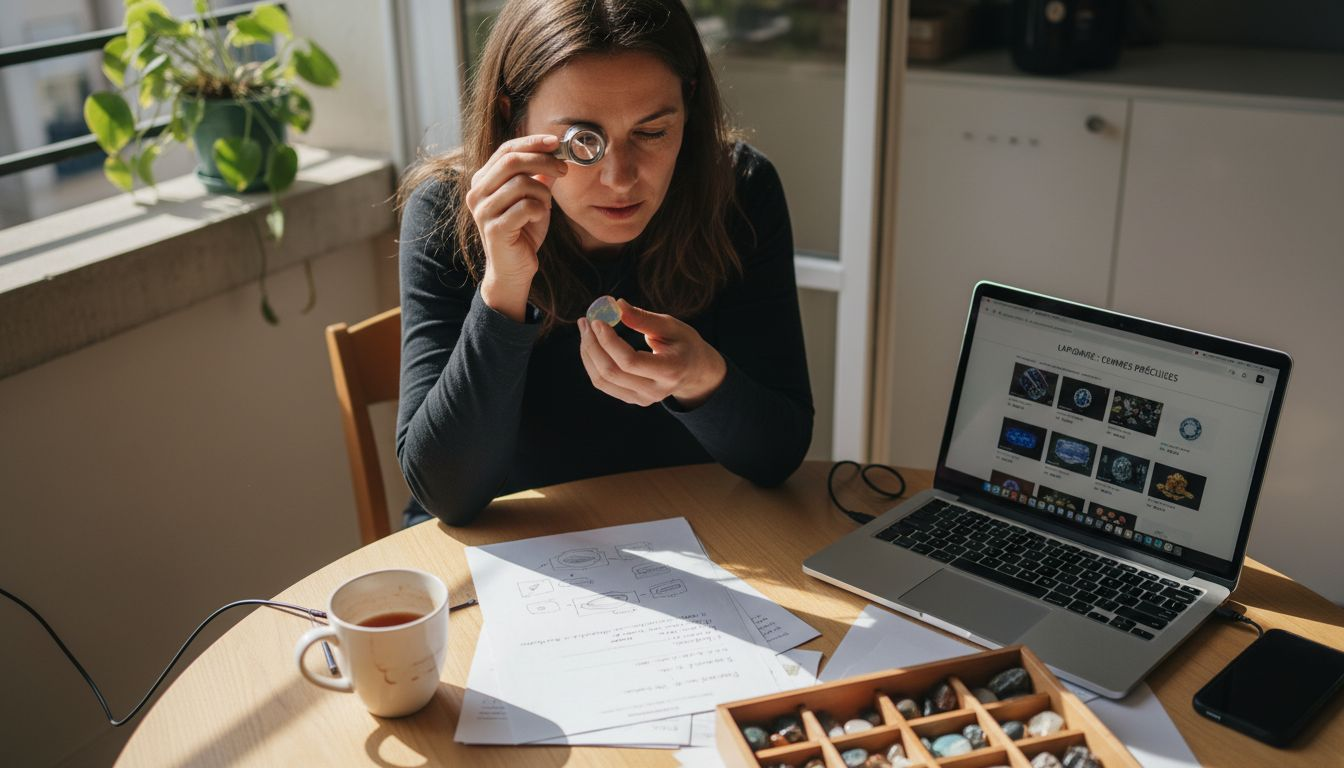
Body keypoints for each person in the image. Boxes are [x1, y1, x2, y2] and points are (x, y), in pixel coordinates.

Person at [395, 0, 813, 527]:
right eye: (582, 142)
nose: (620, 178)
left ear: (689, 104)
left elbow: (778, 456)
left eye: (652, 133)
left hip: (693, 537)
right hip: (509, 554)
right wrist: (504, 287)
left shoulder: (739, 195)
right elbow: (447, 495)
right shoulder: (447, 215)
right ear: (512, 117)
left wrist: (702, 376)